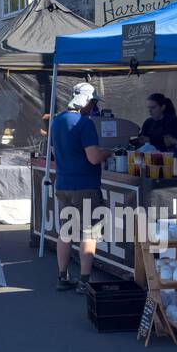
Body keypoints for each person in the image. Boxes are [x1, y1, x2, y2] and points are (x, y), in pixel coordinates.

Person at [49, 82, 115, 293]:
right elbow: (93, 157)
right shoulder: (84, 124)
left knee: (66, 232)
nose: (94, 107)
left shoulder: (57, 121)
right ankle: (84, 281)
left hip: (64, 183)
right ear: (86, 101)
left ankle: (62, 276)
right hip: (85, 185)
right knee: (89, 233)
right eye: (93, 102)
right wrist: (108, 152)